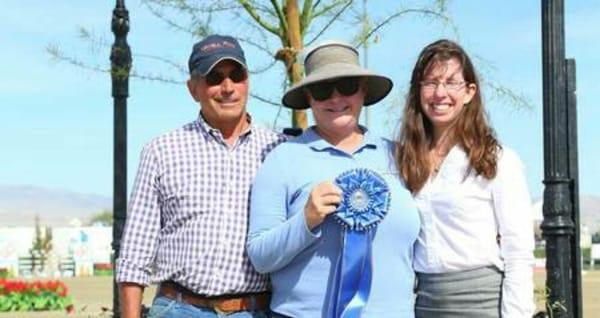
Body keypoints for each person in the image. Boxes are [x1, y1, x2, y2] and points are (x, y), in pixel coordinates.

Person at [115, 34, 285, 318]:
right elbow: (135, 252)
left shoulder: (278, 151)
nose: (228, 87)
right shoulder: (161, 151)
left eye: (236, 75)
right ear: (193, 89)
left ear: (248, 82)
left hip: (254, 310)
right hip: (179, 308)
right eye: (214, 78)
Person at [247, 41, 420, 318]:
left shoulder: (400, 156)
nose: (336, 98)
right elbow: (260, 256)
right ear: (308, 97)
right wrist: (305, 221)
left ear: (363, 90)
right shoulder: (282, 159)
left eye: (348, 86)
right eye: (323, 89)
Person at [395, 39, 535, 317]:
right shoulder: (403, 160)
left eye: (451, 82)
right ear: (417, 90)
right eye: (430, 82)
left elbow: (518, 252)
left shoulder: (498, 161)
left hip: (483, 304)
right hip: (424, 305)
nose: (440, 92)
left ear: (470, 92)